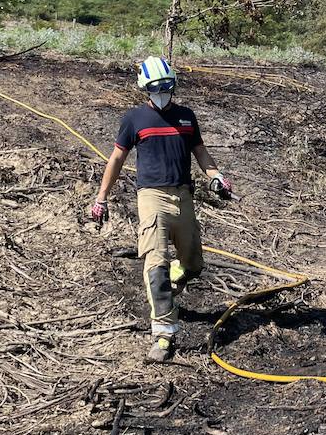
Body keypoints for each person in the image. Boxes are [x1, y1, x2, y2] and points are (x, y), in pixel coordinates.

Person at [89, 55, 232, 362]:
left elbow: (201, 153)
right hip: (151, 196)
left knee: (193, 263)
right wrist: (101, 197)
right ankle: (163, 334)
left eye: (167, 87)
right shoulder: (134, 119)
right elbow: (116, 160)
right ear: (144, 88)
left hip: (182, 195)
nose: (163, 92)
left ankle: (171, 283)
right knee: (156, 262)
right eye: (156, 87)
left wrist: (217, 177)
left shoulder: (186, 116)